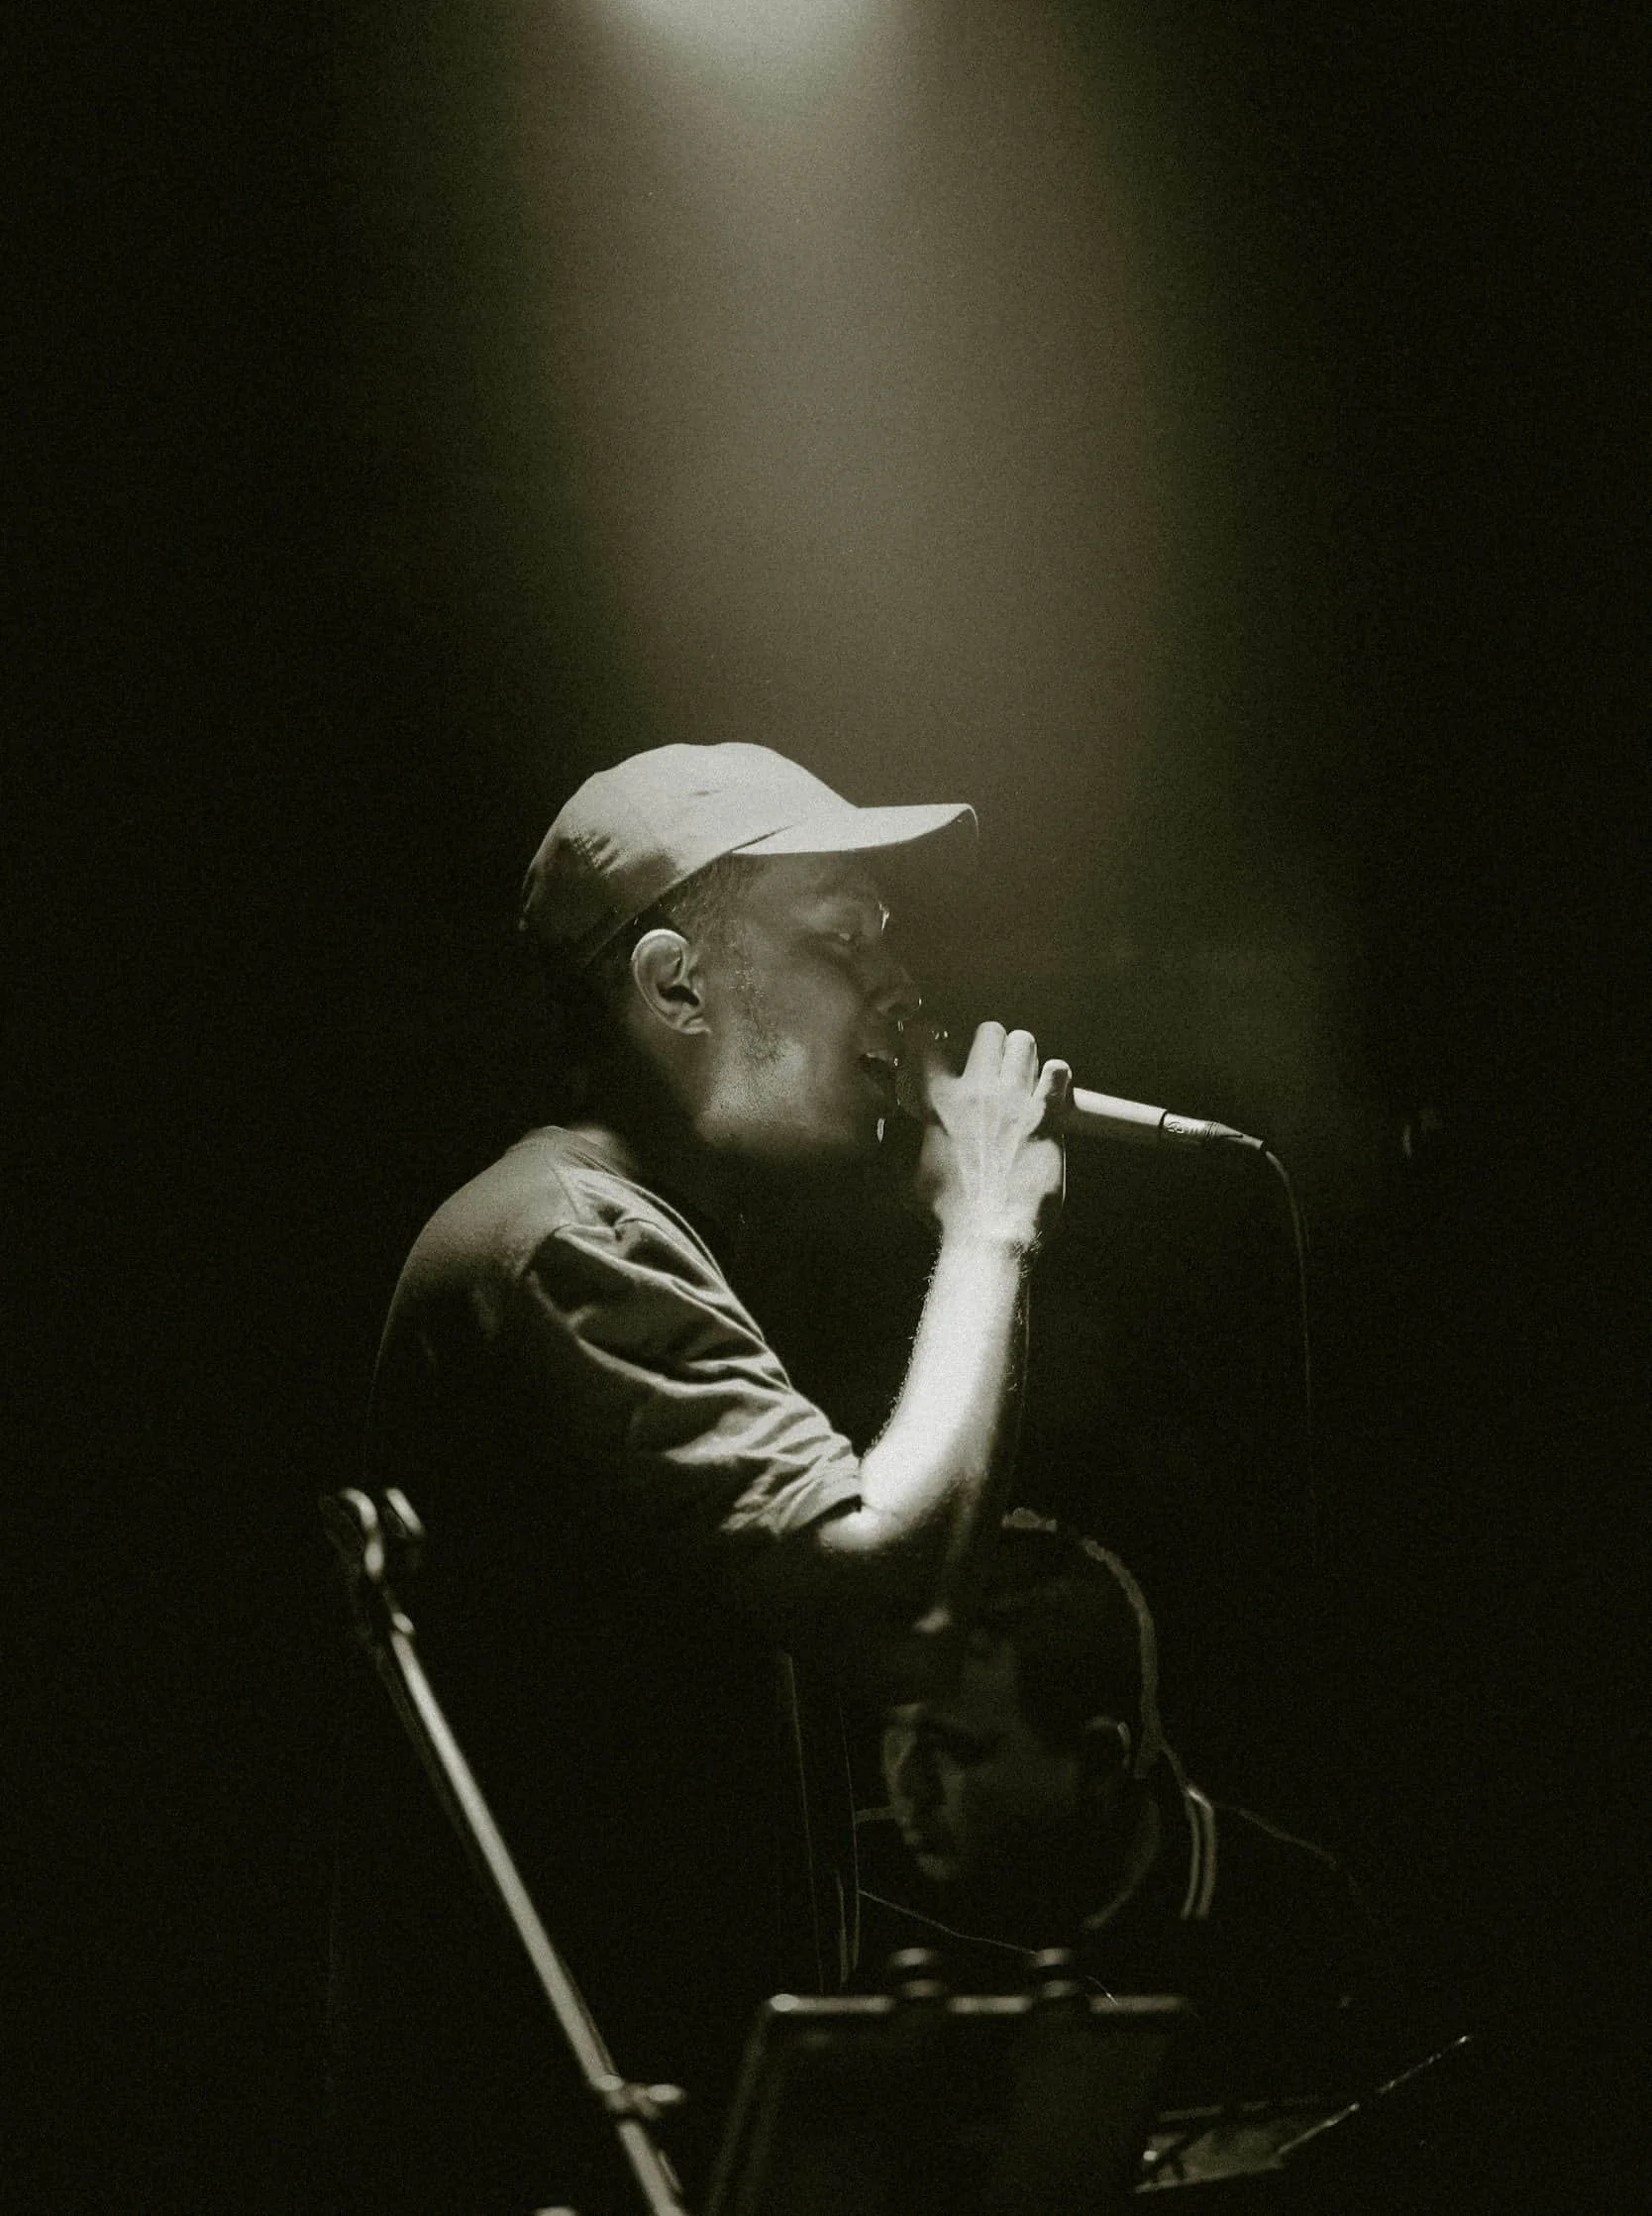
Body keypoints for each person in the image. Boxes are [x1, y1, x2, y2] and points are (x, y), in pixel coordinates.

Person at [325, 742, 1070, 2216]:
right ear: (672, 984)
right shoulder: (563, 1245)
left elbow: (894, 1613)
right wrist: (987, 1226)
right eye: (845, 937)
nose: (903, 987)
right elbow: (882, 1585)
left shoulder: (631, 1237)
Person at [864, 1513, 1397, 2110]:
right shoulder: (868, 1897)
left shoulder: (1285, 1917)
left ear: (1097, 1761)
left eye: (954, 1749)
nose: (905, 1782)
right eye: (894, 1734)